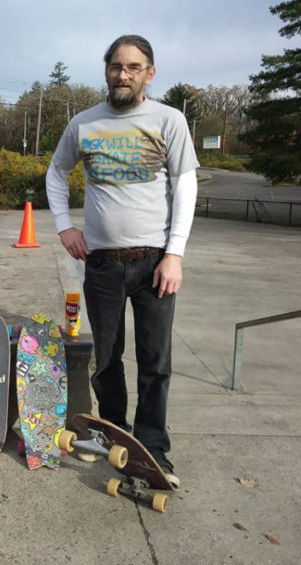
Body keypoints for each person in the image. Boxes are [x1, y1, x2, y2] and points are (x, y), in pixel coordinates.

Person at [46, 35, 198, 486]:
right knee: (108, 359)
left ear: (150, 73)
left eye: (133, 67)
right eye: (115, 66)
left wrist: (175, 253)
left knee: (155, 360)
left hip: (154, 263)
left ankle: (153, 450)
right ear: (106, 70)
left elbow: (186, 185)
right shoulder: (84, 123)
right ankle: (116, 438)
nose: (123, 74)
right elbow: (56, 172)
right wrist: (63, 225)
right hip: (103, 265)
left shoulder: (169, 120)